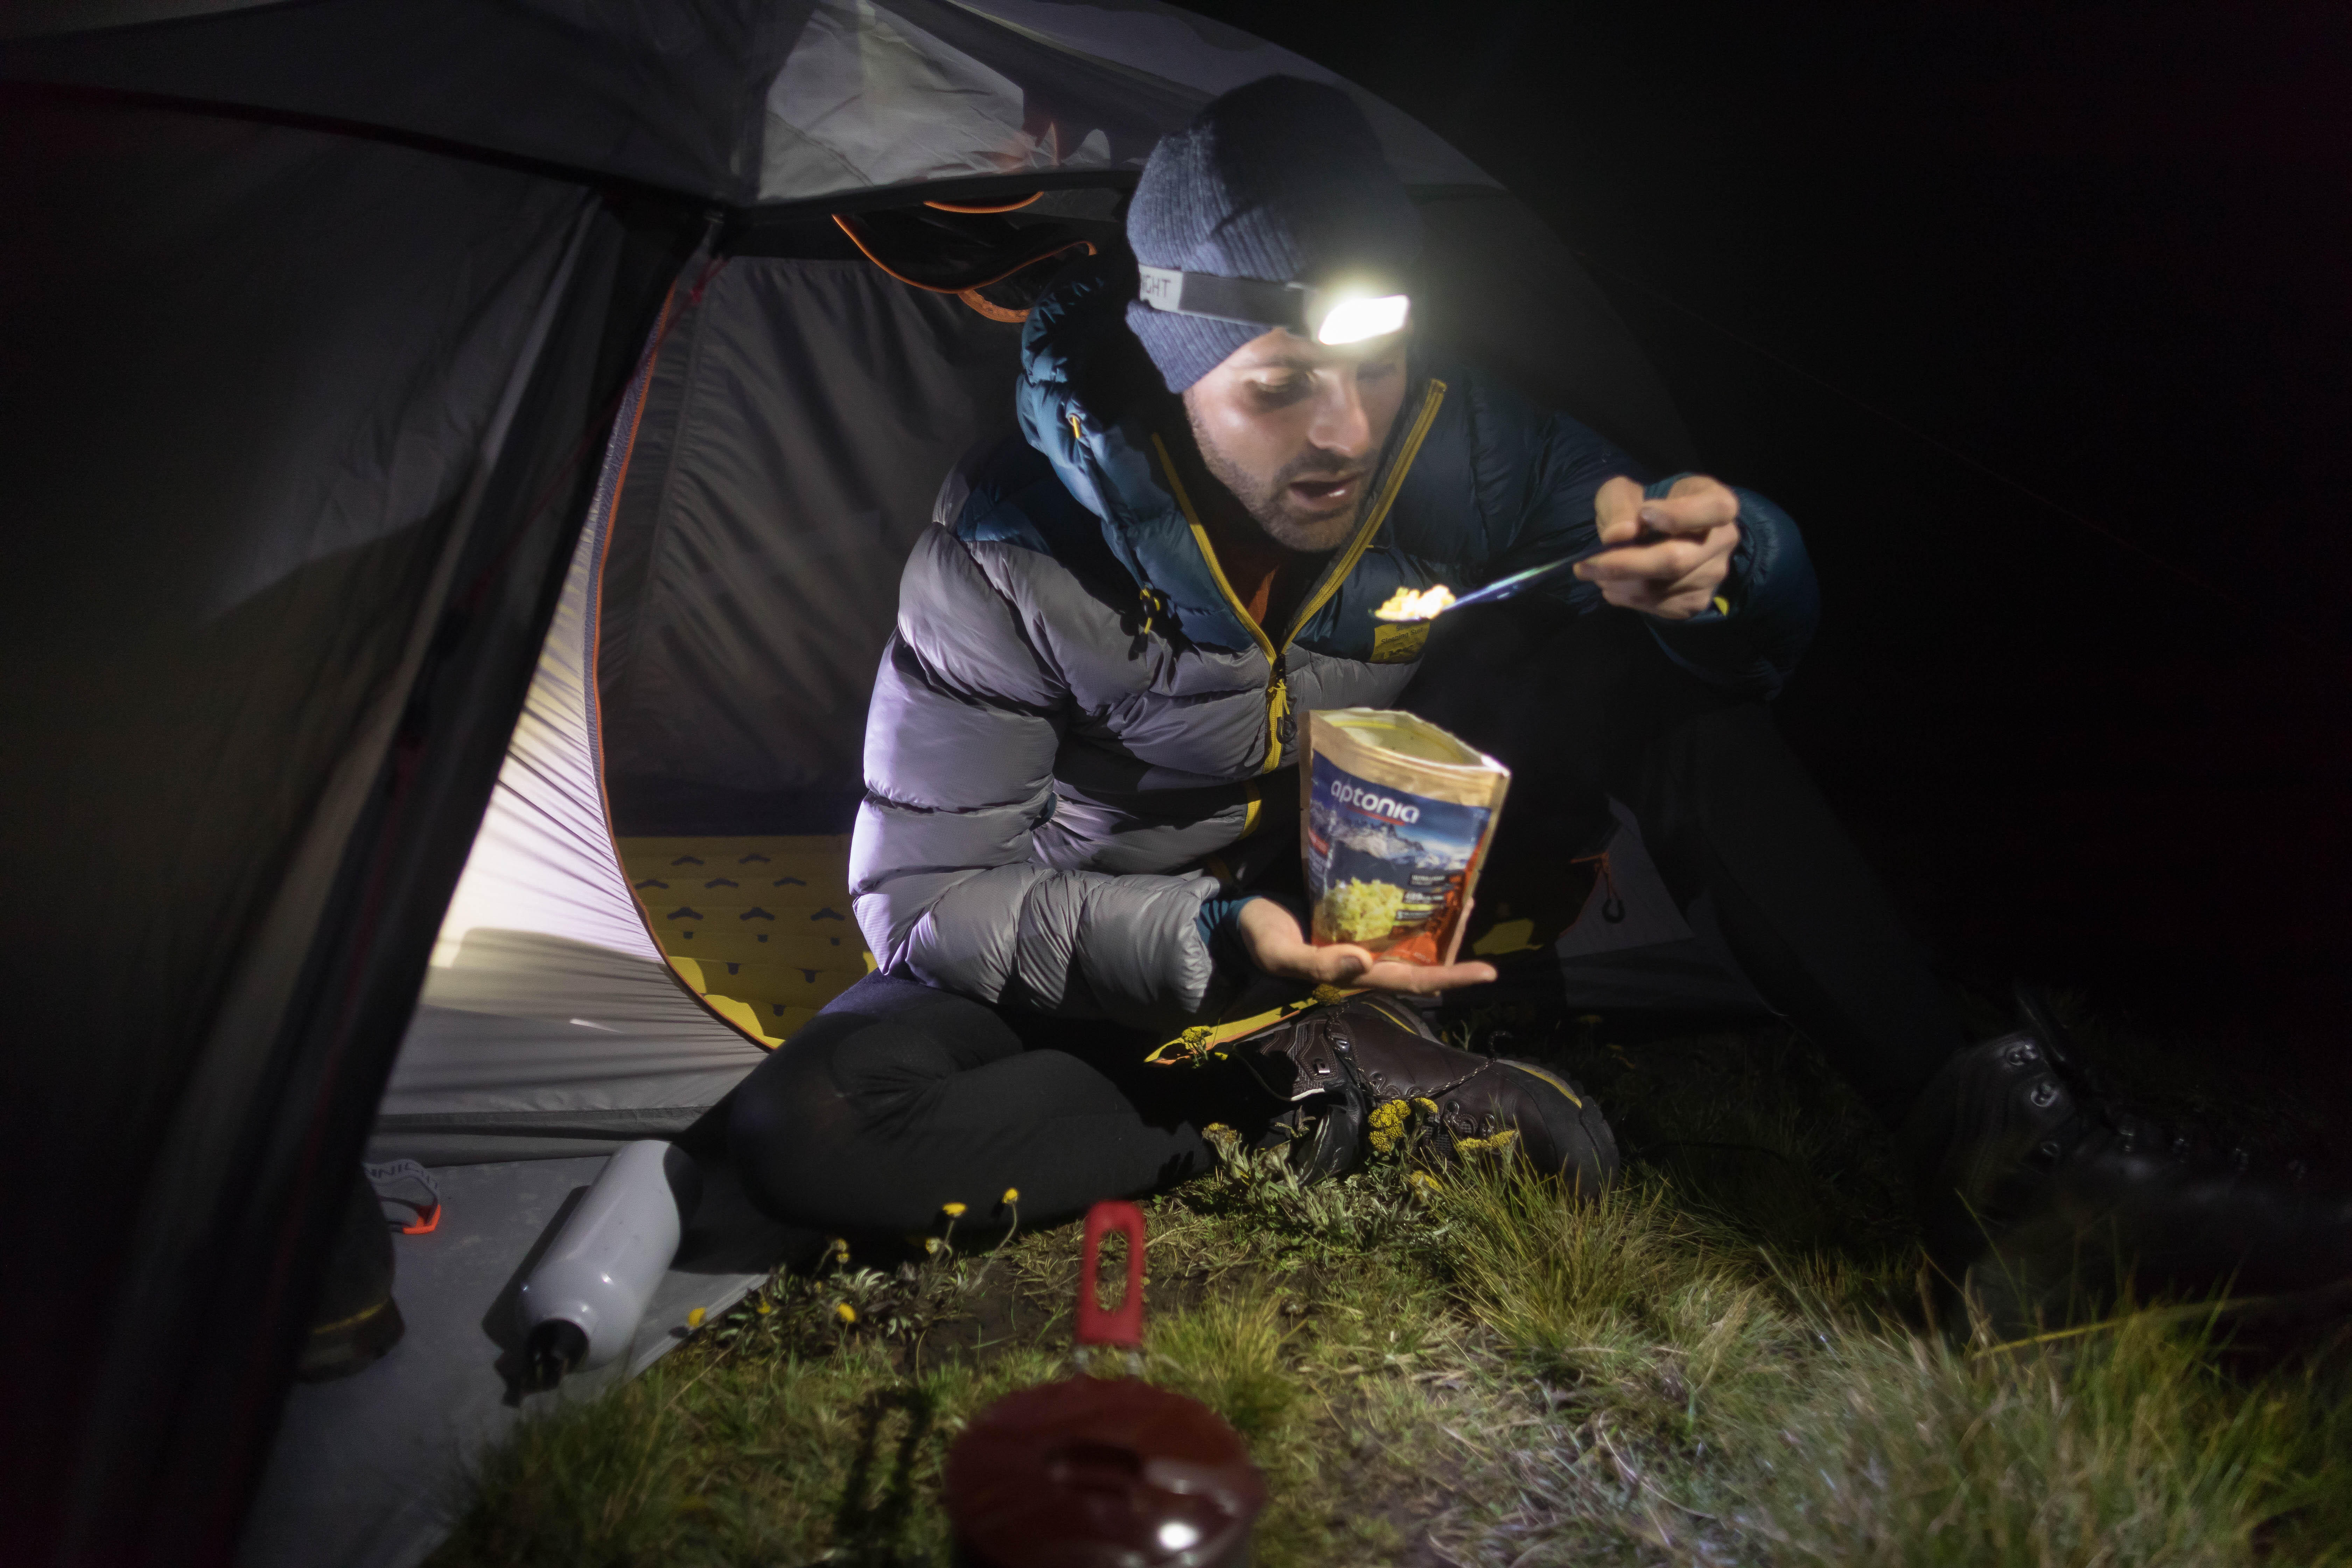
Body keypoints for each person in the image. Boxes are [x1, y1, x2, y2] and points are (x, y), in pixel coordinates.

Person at [730, 77, 2351, 1319]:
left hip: (1361, 883)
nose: (1344, 432)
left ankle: (2011, 1166)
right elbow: (921, 894)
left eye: (1372, 367)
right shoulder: (1010, 541)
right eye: (1278, 386)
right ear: (1169, 369)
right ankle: (1298, 1089)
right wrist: (1204, 948)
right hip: (1126, 930)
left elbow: (1702, 593)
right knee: (813, 1122)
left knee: (1645, 662)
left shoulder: (1465, 446)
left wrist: (1730, 565)